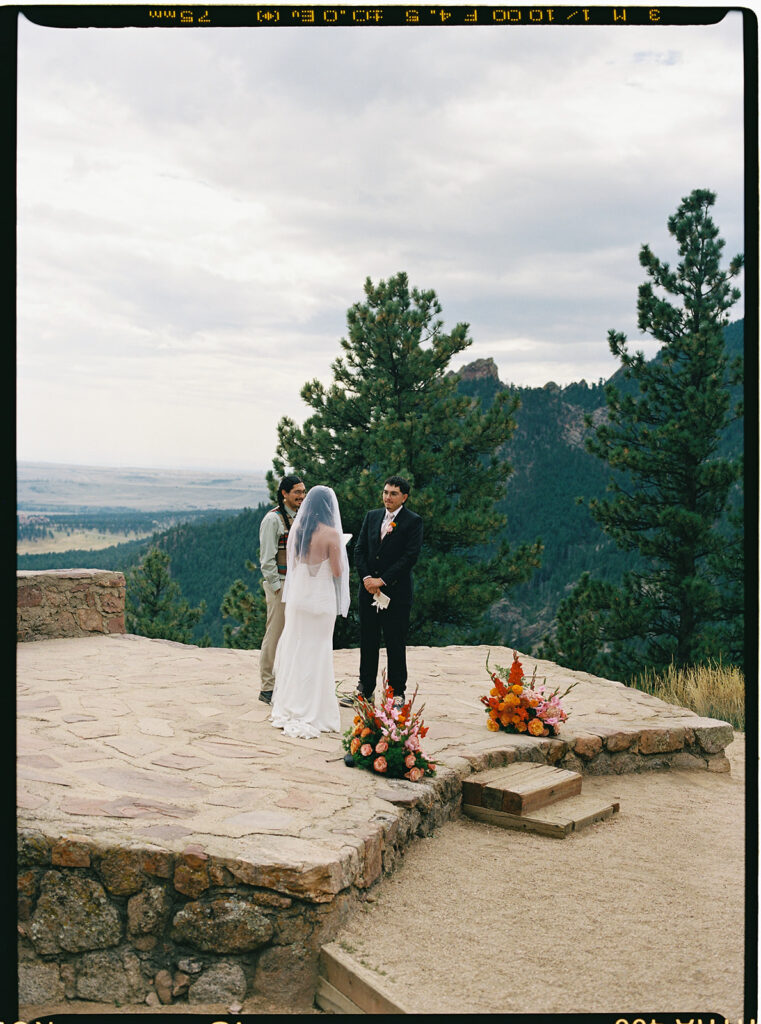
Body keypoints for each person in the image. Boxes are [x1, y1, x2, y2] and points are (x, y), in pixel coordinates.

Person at [270, 485, 350, 739]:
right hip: (321, 601)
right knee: (319, 651)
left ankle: (292, 702)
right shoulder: (331, 535)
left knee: (299, 649)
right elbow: (337, 571)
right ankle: (315, 708)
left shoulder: (299, 530)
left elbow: (295, 565)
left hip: (300, 599)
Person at [345, 475, 423, 708]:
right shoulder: (372, 516)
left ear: (404, 497)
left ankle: (396, 693)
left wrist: (383, 580)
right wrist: (368, 579)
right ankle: (364, 690)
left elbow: (410, 556)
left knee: (395, 643)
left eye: (393, 494)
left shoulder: (413, 521)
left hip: (395, 594)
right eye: (386, 492)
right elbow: (359, 549)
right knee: (368, 641)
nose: (388, 497)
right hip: (368, 591)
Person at [257, 474, 306, 704]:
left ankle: (287, 682)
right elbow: (267, 559)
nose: (301, 496)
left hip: (299, 586)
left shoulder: (302, 518)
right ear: (284, 493)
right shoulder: (272, 519)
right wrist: (277, 587)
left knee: (294, 636)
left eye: (303, 492)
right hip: (282, 586)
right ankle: (267, 686)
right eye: (297, 492)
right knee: (274, 634)